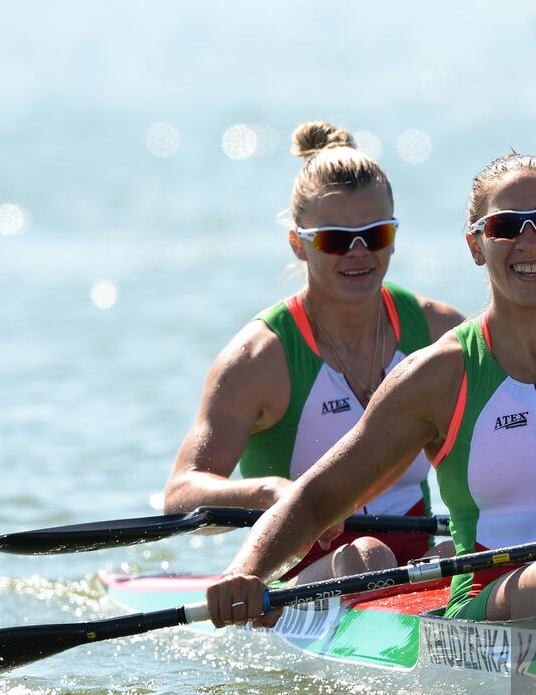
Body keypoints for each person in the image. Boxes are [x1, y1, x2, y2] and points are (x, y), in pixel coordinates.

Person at [206, 36, 536, 626]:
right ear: (476, 246)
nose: (528, 241)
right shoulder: (441, 375)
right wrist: (245, 571)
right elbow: (319, 496)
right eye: (505, 226)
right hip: (488, 606)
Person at [164, 121, 463, 583]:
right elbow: (181, 494)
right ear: (298, 244)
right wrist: (270, 492)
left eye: (376, 234)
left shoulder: (439, 331)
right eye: (336, 239)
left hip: (416, 567)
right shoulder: (258, 359)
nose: (359, 253)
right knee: (366, 554)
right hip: (296, 575)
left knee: (454, 550)